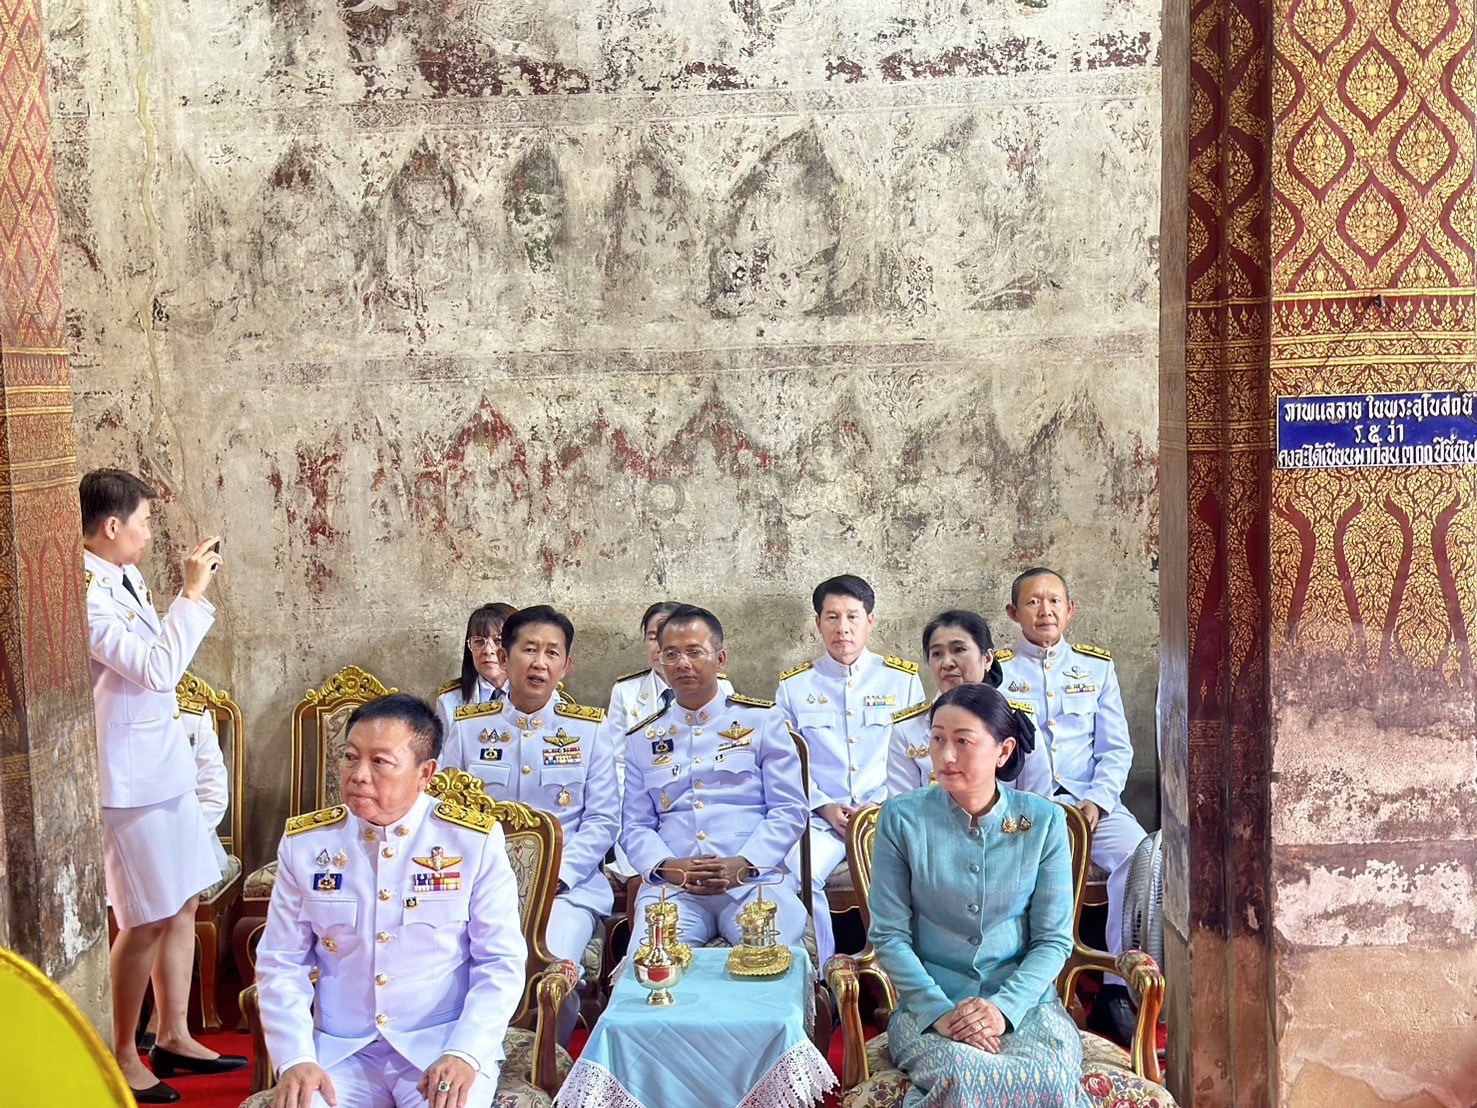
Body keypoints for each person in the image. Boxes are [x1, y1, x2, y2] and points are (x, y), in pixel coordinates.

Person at [256, 694, 526, 1108]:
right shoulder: (306, 844)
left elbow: (500, 963)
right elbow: (281, 962)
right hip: (341, 1054)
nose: (358, 775)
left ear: (425, 773)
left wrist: (465, 1053)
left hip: (438, 1048)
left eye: (380, 762)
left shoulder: (471, 840)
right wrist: (295, 1057)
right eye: (349, 757)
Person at [81, 468, 240, 1103]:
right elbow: (155, 667)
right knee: (142, 919)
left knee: (181, 902)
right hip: (127, 783)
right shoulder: (83, 592)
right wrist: (193, 594)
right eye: (144, 522)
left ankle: (173, 1032)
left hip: (164, 765)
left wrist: (181, 595)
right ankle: (122, 1052)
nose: (149, 534)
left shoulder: (124, 576)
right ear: (113, 526)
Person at [868, 683, 1087, 1108]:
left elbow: (1053, 940)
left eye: (963, 741)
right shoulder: (902, 818)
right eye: (937, 739)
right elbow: (890, 936)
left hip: (1025, 1003)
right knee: (967, 1080)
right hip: (928, 1007)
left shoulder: (1043, 821)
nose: (945, 755)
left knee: (1051, 1081)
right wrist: (940, 1011)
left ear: (1003, 751)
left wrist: (1002, 1009)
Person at [438, 604, 618, 1044]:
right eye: (529, 650)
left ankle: (543, 1068)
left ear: (566, 665)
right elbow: (443, 808)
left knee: (553, 972)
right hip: (477, 885)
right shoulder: (467, 730)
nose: (540, 663)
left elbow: (602, 819)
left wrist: (556, 876)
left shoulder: (591, 731)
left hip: (564, 890)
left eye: (552, 653)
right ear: (506, 655)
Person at [999, 566, 1148, 1047]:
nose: (1045, 610)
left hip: (1093, 803)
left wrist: (1097, 803)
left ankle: (1116, 989)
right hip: (1026, 806)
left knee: (1140, 856)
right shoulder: (998, 672)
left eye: (1054, 601)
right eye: (1033, 602)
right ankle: (1027, 988)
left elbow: (1116, 750)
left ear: (1069, 609)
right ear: (1013, 613)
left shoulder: (1097, 668)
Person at [621, 604, 809, 946]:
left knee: (768, 965)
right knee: (651, 968)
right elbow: (634, 825)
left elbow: (789, 810)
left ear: (720, 659)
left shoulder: (761, 722)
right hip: (675, 889)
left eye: (694, 652)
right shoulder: (641, 739)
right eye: (672, 654)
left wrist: (745, 862)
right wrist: (668, 866)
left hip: (754, 881)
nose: (683, 663)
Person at [774, 574, 923, 967]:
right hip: (824, 819)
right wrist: (823, 806)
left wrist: (880, 805)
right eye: (832, 617)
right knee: (796, 876)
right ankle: (825, 979)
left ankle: (899, 973)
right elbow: (786, 762)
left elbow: (919, 755)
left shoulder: (902, 680)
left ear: (870, 621)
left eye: (853, 617)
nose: (843, 628)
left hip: (886, 816)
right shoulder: (794, 687)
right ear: (818, 622)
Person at [143, 705, 233, 1056]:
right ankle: (125, 1013)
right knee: (124, 911)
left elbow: (213, 794)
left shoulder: (192, 718)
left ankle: (164, 1021)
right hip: (117, 840)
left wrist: (170, 841)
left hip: (184, 839)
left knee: (181, 899)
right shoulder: (101, 708)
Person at [887, 610, 1005, 794]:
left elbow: (1037, 805)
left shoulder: (1016, 721)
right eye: (937, 654)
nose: (947, 663)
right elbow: (902, 812)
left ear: (987, 658)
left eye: (959, 650)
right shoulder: (907, 730)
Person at [436, 602, 517, 765]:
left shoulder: (540, 695)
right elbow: (442, 765)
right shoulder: (449, 700)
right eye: (479, 641)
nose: (488, 650)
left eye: (499, 641)